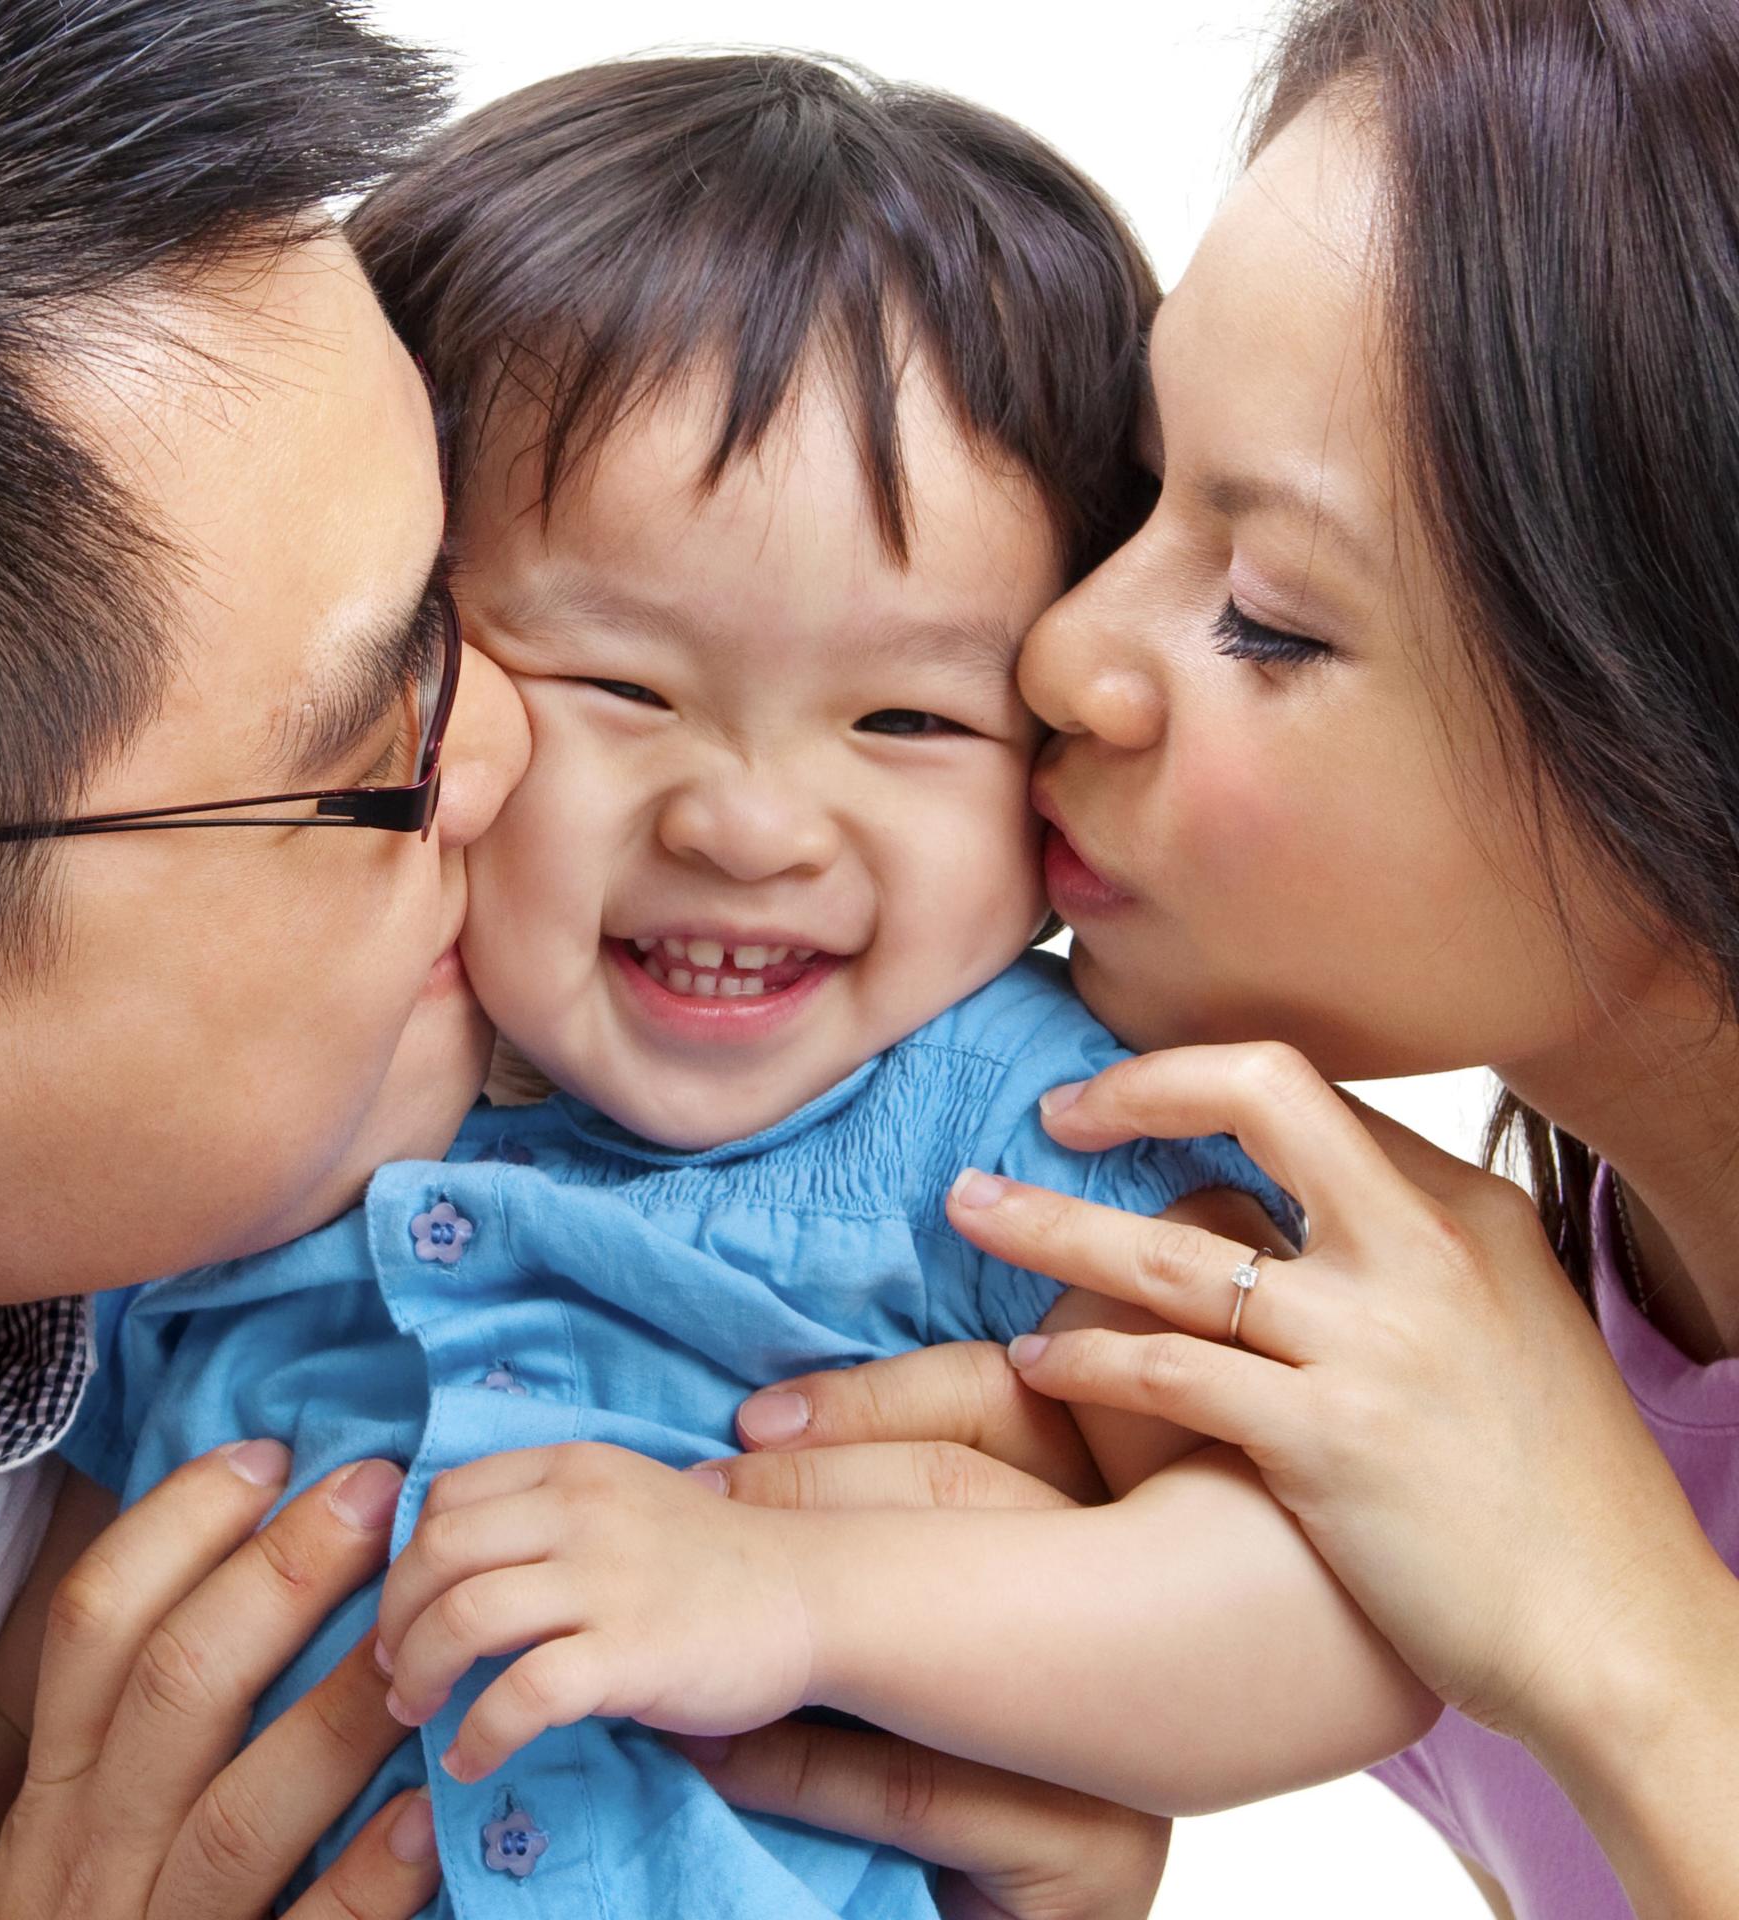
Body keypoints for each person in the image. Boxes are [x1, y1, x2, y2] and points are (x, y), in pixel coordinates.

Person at [0, 6, 1159, 1917]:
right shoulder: (197, 1263)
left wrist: (1058, 1669)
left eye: (911, 719)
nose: (739, 824)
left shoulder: (1030, 1129)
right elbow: (3, 1734)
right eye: (387, 722)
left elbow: (1341, 1584)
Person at [704, 2, 1739, 1915]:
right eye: (1149, 484)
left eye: (1266, 618)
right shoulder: (1446, 1359)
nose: (1063, 660)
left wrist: (1626, 1648)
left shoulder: (1520, 1493)